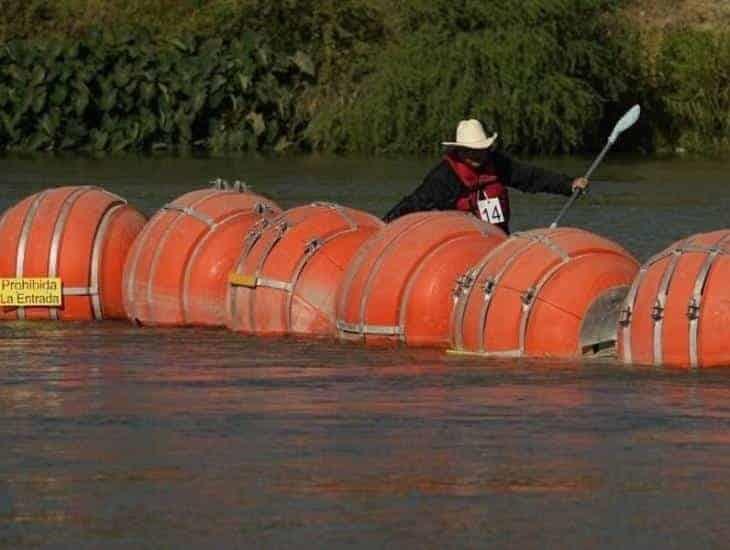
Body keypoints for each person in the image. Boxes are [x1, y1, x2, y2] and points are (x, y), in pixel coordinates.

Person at [383, 119, 589, 233]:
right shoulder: (444, 176)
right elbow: (415, 203)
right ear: (460, 150)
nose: (477, 155)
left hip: (497, 243)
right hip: (463, 247)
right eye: (471, 150)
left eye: (480, 149)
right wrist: (384, 226)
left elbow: (532, 178)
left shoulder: (497, 163)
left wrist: (568, 184)